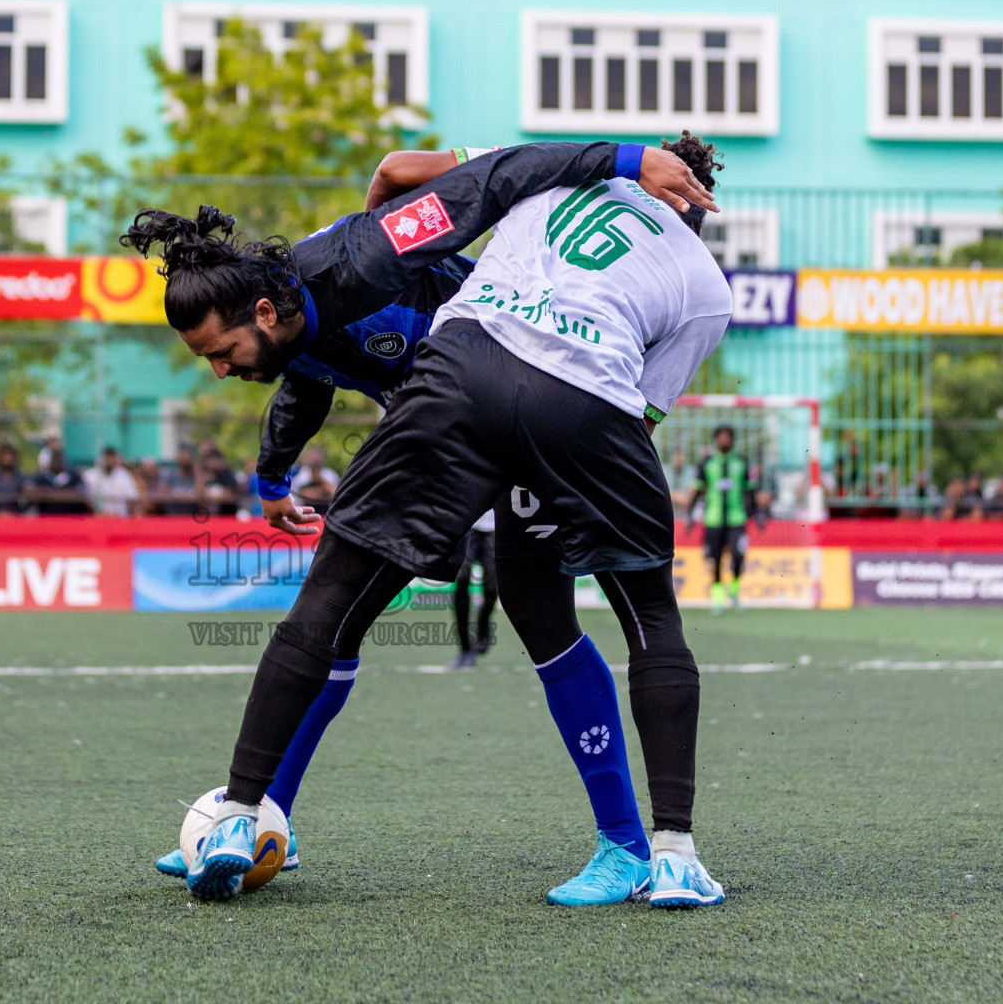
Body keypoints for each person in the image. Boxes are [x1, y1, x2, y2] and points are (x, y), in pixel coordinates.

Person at [136, 136, 729, 907]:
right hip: (519, 409)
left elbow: (450, 174)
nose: (220, 369)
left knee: (499, 605)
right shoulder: (294, 316)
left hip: (470, 384)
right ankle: (254, 814)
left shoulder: (375, 248)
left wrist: (616, 157)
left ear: (263, 308)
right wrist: (273, 475)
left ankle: (621, 842)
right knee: (344, 611)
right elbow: (308, 376)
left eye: (223, 352)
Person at [687, 426, 760, 613]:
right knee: (715, 558)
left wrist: (757, 513)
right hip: (713, 519)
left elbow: (750, 491)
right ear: (716, 439)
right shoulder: (707, 463)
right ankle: (718, 597)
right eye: (721, 436)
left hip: (737, 518)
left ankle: (734, 590)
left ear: (733, 439)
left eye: (728, 436)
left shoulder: (742, 462)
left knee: (738, 555)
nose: (725, 440)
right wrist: (690, 516)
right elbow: (697, 491)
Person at [450, 509, 498, 670]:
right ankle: (465, 648)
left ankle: (483, 627)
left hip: (494, 528)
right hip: (468, 525)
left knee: (492, 588)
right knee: (462, 579)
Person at [27, 451, 90, 515]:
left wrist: (51, 494)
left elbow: (83, 492)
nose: (57, 461)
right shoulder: (41, 476)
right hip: (46, 516)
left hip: (71, 515)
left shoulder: (73, 475)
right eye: (55, 459)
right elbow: (28, 490)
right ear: (50, 461)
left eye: (59, 459)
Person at [86, 446, 140, 518]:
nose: (109, 460)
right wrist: (103, 514)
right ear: (101, 458)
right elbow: (86, 500)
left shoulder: (124, 475)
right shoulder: (90, 475)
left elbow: (133, 498)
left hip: (121, 519)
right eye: (107, 456)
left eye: (112, 457)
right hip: (97, 519)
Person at [155, 446, 203, 516]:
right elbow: (162, 493)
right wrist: (181, 496)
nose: (185, 459)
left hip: (192, 516)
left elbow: (202, 496)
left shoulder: (196, 475)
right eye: (183, 456)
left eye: (188, 456)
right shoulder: (170, 474)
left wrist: (197, 472)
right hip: (172, 516)